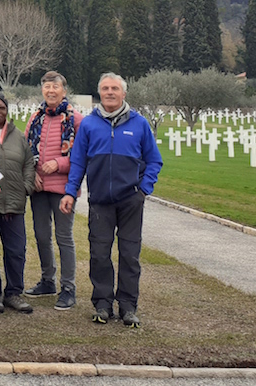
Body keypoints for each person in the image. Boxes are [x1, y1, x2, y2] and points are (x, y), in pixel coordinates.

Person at [61, 73, 163, 328]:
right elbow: (78, 162)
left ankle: (128, 307)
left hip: (131, 201)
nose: (109, 92)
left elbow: (154, 160)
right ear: (100, 93)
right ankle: (103, 304)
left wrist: (143, 190)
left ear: (123, 93)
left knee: (129, 255)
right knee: (99, 254)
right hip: (100, 202)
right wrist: (70, 191)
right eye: (105, 88)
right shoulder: (89, 125)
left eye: (114, 88)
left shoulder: (139, 124)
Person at [24, 71, 84, 311]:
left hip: (63, 188)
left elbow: (81, 155)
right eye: (47, 86)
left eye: (55, 87)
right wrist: (33, 173)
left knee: (64, 238)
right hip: (39, 188)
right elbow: (27, 149)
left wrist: (59, 163)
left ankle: (68, 288)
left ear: (64, 91)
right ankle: (47, 281)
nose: (51, 91)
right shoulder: (35, 118)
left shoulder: (75, 119)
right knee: (40, 235)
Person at [0, 91, 35, 314]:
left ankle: (14, 293)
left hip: (14, 203)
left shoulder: (18, 135)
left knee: (16, 250)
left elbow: (29, 163)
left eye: (1, 107)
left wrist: (25, 188)